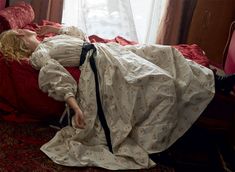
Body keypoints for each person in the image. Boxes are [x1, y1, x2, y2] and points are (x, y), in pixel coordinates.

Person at [0, 26, 235, 169]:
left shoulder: (48, 41)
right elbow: (54, 77)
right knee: (160, 82)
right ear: (21, 32)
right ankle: (156, 144)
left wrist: (56, 31)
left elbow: (79, 35)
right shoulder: (40, 54)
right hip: (102, 68)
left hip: (110, 51)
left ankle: (215, 81)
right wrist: (75, 106)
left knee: (163, 52)